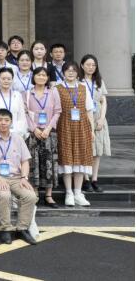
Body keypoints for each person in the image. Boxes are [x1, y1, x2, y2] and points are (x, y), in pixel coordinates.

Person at [0, 109, 38, 245]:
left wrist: (24, 178)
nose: (3, 123)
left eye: (6, 120)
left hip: (16, 178)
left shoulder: (18, 138)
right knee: (4, 195)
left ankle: (22, 228)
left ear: (11, 122)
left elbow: (25, 161)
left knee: (30, 196)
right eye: (0, 120)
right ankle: (6, 228)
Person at [56, 61, 94, 207]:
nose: (71, 73)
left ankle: (78, 193)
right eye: (68, 70)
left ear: (78, 73)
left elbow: (89, 110)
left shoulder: (83, 88)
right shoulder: (57, 88)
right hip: (64, 127)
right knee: (67, 159)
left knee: (80, 159)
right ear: (63, 73)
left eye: (73, 70)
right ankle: (69, 193)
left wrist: (91, 130)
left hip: (82, 126)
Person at [24, 67, 62, 208]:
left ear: (47, 78)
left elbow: (57, 112)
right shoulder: (27, 94)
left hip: (48, 132)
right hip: (32, 133)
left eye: (44, 75)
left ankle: (48, 195)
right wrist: (34, 129)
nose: (41, 77)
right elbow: (24, 113)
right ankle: (34, 193)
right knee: (33, 162)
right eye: (38, 75)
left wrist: (48, 128)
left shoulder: (53, 92)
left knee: (49, 162)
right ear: (33, 77)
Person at [79, 54, 110, 192]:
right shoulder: (78, 81)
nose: (91, 67)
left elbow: (103, 101)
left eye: (93, 65)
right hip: (84, 117)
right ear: (82, 65)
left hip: (98, 118)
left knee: (97, 151)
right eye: (88, 64)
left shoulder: (99, 81)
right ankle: (85, 179)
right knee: (86, 149)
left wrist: (102, 118)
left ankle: (94, 179)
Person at [0, 68, 28, 138]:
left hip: (15, 133)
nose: (6, 81)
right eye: (3, 79)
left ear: (12, 80)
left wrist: (17, 132)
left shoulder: (18, 95)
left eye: (9, 79)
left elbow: (21, 117)